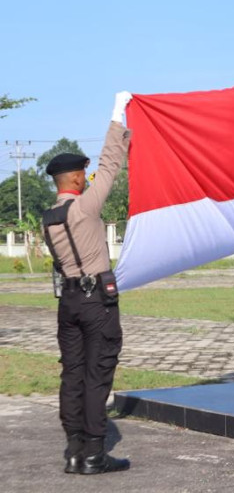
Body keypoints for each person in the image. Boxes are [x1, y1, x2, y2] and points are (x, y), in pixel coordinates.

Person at [42, 92, 132, 475]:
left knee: (72, 374)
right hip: (97, 303)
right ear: (78, 177)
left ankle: (74, 451)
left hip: (69, 304)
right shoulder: (86, 206)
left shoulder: (48, 218)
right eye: (84, 172)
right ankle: (96, 453)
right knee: (98, 374)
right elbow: (111, 163)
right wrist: (119, 113)